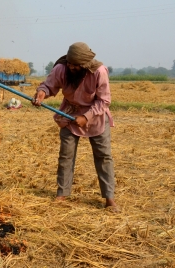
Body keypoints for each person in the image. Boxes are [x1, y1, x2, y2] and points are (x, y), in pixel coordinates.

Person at [32, 42, 118, 210]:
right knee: (66, 156)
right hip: (69, 114)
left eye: (75, 65)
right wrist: (41, 93)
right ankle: (62, 194)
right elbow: (48, 85)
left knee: (104, 157)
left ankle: (109, 199)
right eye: (69, 63)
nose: (71, 67)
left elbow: (104, 101)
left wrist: (86, 117)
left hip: (96, 116)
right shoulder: (62, 69)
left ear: (85, 65)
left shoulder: (99, 71)